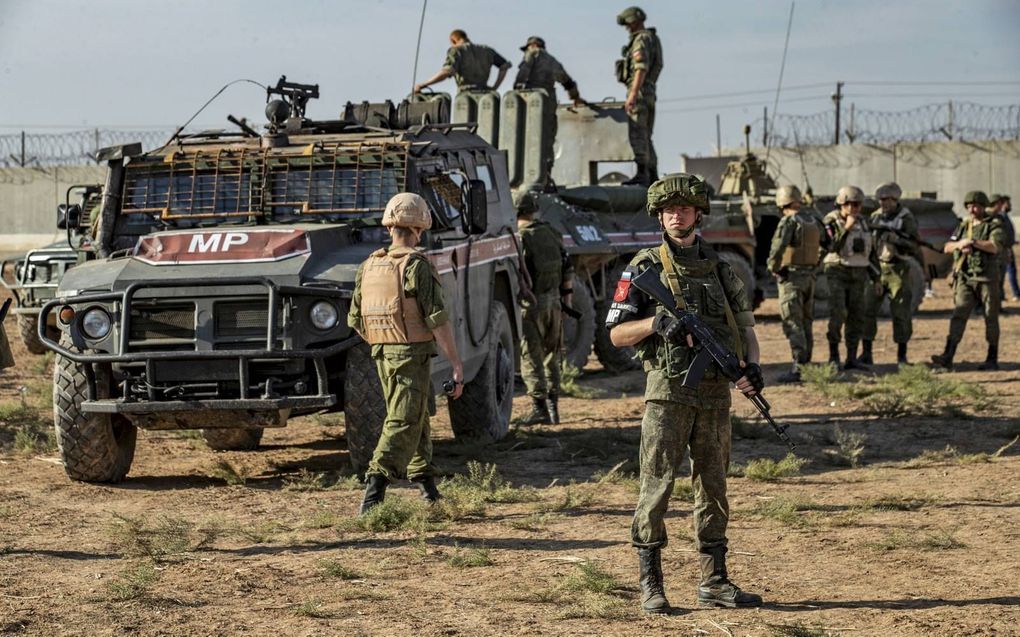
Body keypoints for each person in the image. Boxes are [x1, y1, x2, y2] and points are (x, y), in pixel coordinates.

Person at [606, 173, 764, 614]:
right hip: (668, 393)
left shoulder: (721, 269)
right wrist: (656, 324)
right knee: (656, 485)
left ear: (699, 214)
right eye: (669, 210)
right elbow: (617, 335)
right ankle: (651, 582)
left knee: (713, 486)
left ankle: (714, 580)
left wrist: (751, 368)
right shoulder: (643, 268)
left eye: (686, 209)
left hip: (715, 396)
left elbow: (746, 330)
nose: (678, 216)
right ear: (659, 215)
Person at [347, 193, 465, 514]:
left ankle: (427, 485)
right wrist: (456, 365)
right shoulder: (417, 265)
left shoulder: (369, 265)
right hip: (410, 353)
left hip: (383, 354)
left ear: (389, 228)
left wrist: (384, 341)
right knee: (404, 419)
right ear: (419, 229)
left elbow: (355, 319)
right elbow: (437, 320)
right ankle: (374, 489)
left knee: (417, 417)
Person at [515, 190, 574, 425]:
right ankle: (554, 409)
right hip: (555, 304)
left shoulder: (519, 238)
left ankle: (539, 409)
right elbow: (568, 268)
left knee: (531, 356)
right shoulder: (551, 232)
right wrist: (566, 302)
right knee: (552, 356)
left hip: (531, 306)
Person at [931, 191, 1006, 371]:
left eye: (976, 206)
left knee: (991, 317)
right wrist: (960, 245)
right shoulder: (964, 225)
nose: (972, 210)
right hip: (965, 277)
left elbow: (995, 246)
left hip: (987, 278)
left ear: (983, 206)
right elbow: (948, 247)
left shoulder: (993, 224)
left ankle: (992, 357)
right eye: (969, 206)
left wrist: (973, 243)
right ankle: (948, 356)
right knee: (959, 313)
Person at [767, 185, 827, 383]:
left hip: (791, 279)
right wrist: (815, 264)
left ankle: (798, 367)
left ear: (782, 202)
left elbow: (778, 248)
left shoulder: (788, 221)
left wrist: (774, 268)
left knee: (793, 322)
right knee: (806, 321)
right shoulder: (813, 220)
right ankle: (806, 364)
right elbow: (829, 244)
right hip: (810, 277)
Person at [822, 185, 881, 371]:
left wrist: (877, 277)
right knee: (838, 315)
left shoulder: (864, 223)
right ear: (842, 204)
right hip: (838, 271)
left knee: (857, 316)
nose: (855, 208)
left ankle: (852, 358)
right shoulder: (831, 221)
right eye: (851, 204)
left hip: (860, 273)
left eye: (858, 204)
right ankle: (834, 357)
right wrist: (846, 228)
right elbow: (831, 246)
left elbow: (871, 254)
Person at [861, 182, 921, 366]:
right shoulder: (875, 217)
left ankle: (902, 357)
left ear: (895, 199)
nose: (883, 203)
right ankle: (867, 353)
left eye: (887, 200)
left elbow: (914, 244)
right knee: (867, 310)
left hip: (898, 268)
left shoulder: (906, 218)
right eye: (880, 200)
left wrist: (897, 240)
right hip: (878, 267)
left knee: (901, 312)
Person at [513, 36, 584, 182]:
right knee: (547, 139)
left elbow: (522, 75)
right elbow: (566, 81)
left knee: (528, 138)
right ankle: (546, 174)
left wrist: (516, 93)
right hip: (549, 101)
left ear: (532, 45)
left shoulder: (532, 54)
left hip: (532, 101)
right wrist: (575, 97)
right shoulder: (552, 60)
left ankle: (528, 175)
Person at [615, 6, 663, 186]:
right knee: (646, 135)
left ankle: (643, 174)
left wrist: (633, 93)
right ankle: (652, 174)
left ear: (635, 21)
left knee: (638, 133)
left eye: (628, 24)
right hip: (650, 92)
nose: (627, 28)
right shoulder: (653, 38)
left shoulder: (641, 40)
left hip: (640, 93)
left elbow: (640, 68)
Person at [414, 29, 511, 95]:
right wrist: (494, 88)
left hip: (465, 97)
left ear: (453, 40)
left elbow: (447, 72)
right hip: (485, 96)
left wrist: (423, 84)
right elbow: (504, 66)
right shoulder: (487, 50)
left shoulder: (457, 51)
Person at [989, 194, 1018, 302]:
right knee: (999, 277)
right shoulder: (995, 217)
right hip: (999, 252)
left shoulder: (1002, 217)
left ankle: (999, 302)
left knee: (1001, 277)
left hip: (1005, 250)